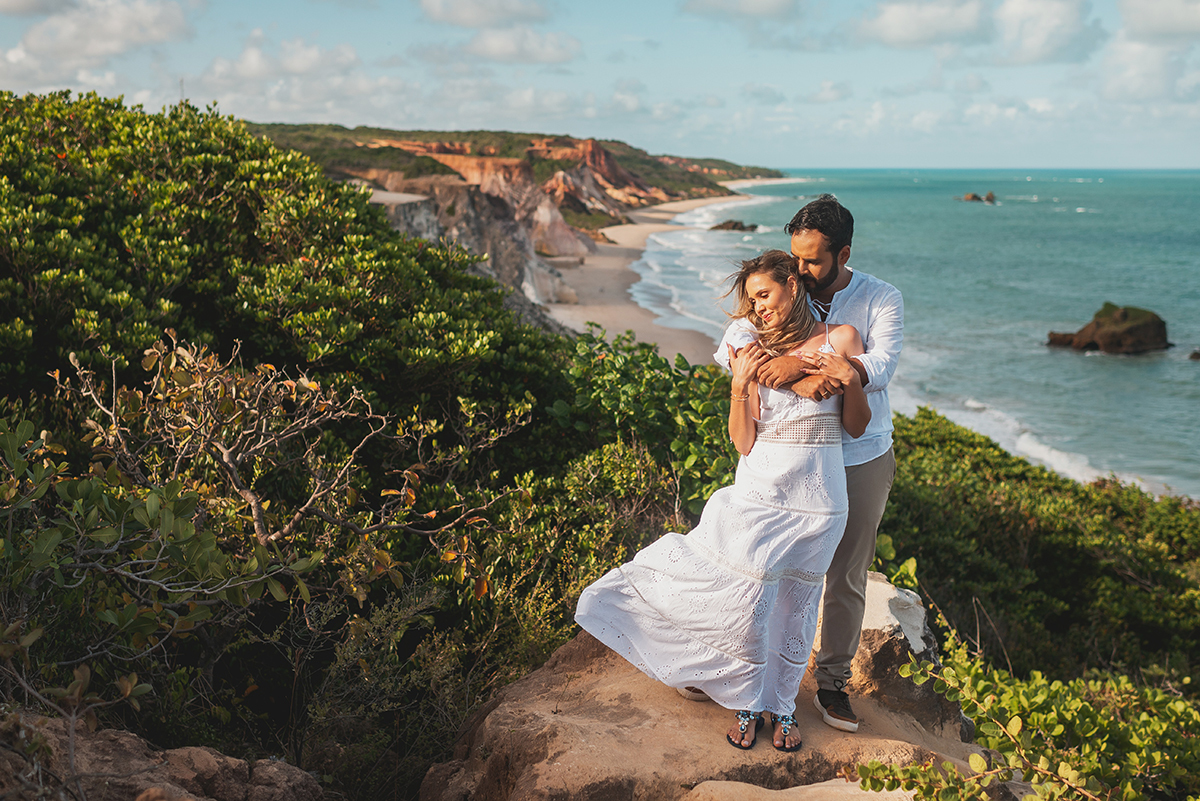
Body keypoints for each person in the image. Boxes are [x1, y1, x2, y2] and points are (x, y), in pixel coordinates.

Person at [575, 249, 870, 752]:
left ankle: (782, 706)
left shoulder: (839, 339)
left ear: (792, 287)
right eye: (751, 301)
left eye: (764, 295)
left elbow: (856, 427)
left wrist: (848, 379)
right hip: (760, 490)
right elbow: (742, 441)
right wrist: (739, 385)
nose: (758, 308)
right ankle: (747, 698)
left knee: (797, 606)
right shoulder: (748, 348)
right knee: (750, 601)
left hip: (821, 499)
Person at [723, 194, 903, 734]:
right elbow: (736, 339)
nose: (799, 270)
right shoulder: (780, 292)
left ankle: (830, 681)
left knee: (846, 574)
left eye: (813, 261)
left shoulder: (879, 298)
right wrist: (786, 368)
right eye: (795, 259)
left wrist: (797, 363)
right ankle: (735, 670)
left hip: (859, 452)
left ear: (843, 253)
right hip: (787, 457)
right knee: (760, 567)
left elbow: (881, 365)